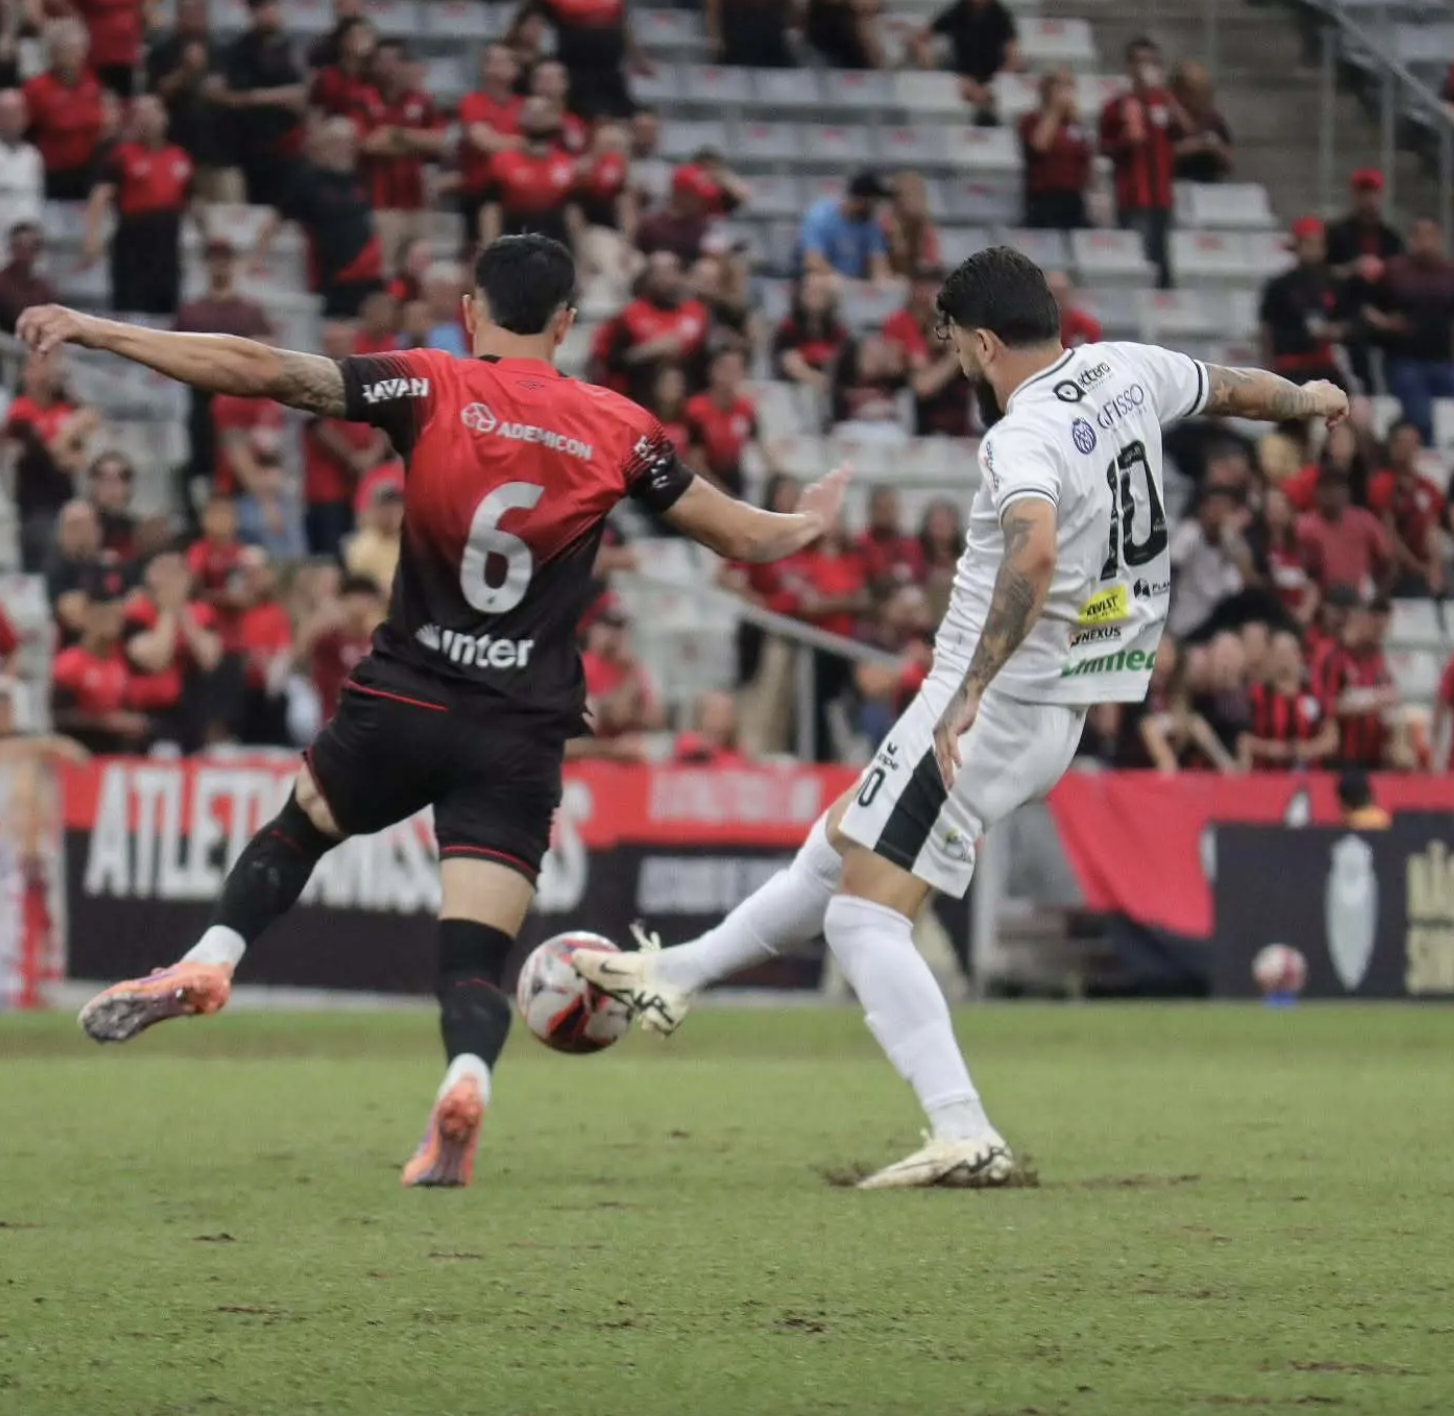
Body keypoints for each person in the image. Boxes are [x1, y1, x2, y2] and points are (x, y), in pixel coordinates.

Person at [19, 232, 848, 1188]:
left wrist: (95, 329)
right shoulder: (620, 429)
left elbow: (256, 370)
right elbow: (742, 539)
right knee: (474, 955)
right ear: (568, 324)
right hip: (517, 731)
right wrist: (811, 522)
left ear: (470, 312)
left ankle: (213, 955)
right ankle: (463, 1082)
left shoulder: (429, 384)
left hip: (404, 697)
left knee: (300, 830)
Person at [570, 246, 1348, 1188]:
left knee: (864, 921)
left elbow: (1032, 556)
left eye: (960, 351)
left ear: (983, 343)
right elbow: (1230, 389)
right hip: (1060, 697)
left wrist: (974, 686)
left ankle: (962, 1129)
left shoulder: (1019, 439)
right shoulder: (1126, 368)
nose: (964, 370)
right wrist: (1307, 399)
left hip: (996, 703)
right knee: (835, 848)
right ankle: (676, 977)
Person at [84, 95, 203, 317]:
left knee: (166, 311)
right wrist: (92, 237)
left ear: (164, 118)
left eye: (153, 113)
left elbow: (193, 201)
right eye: (141, 114)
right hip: (132, 246)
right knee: (129, 312)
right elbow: (100, 196)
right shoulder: (121, 155)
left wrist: (208, 235)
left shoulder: (180, 157)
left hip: (167, 247)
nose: (148, 120)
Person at [256, 117, 383, 320]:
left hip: (369, 275)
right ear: (323, 145)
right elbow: (276, 220)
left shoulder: (361, 179)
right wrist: (258, 258)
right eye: (335, 143)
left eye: (347, 143)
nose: (342, 149)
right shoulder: (308, 180)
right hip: (334, 277)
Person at [209, 0, 306, 208]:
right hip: (244, 148)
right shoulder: (235, 51)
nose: (270, 14)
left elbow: (301, 93)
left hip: (284, 148)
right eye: (263, 9)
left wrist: (254, 97)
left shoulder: (290, 52)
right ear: (252, 13)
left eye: (273, 8)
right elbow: (218, 93)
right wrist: (267, 98)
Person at [1366, 217, 1454, 444]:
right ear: (1411, 240)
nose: (1426, 242)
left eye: (1430, 236)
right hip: (1405, 360)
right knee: (1421, 417)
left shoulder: (1448, 274)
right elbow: (1368, 309)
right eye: (1420, 236)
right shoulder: (1394, 271)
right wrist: (1385, 323)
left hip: (1442, 360)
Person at [1100, 38, 1179, 288]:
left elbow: (1186, 129)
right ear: (1130, 67)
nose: (1146, 68)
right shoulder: (1116, 106)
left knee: (1165, 263)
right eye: (1141, 62)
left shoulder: (1164, 103)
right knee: (1138, 262)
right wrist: (1126, 141)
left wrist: (1165, 93)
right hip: (1133, 195)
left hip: (1162, 196)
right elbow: (1105, 147)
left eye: (1152, 62)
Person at [22, 19, 108, 201]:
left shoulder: (93, 84)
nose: (75, 56)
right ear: (52, 53)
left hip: (88, 172)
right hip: (51, 174)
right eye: (67, 50)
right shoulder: (36, 89)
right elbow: (27, 132)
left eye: (78, 49)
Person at [1258, 217, 1347, 389]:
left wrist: (1336, 330)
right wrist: (1269, 369)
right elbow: (1266, 329)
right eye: (1308, 243)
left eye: (1318, 244)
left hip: (1324, 364)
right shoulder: (1279, 285)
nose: (1313, 249)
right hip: (1290, 364)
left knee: (1352, 404)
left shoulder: (1333, 282)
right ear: (1297, 246)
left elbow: (1347, 320)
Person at [1366, 418, 1444, 597]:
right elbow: (1389, 533)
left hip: (1423, 566)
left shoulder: (1428, 488)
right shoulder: (1382, 483)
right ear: (1392, 447)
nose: (1407, 448)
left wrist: (1434, 567)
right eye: (1402, 442)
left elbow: (1432, 530)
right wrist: (1419, 569)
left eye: (1412, 442)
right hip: (1393, 567)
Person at [912, 0, 1019, 126]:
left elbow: (1013, 58)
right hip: (960, 76)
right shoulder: (957, 11)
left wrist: (993, 85)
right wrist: (929, 64)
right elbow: (921, 37)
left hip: (992, 77)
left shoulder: (1001, 14)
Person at [1244, 629, 1337, 771]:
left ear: (1299, 656)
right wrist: (1269, 749)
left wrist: (1307, 749)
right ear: (1270, 658)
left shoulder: (1314, 694)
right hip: (1265, 775)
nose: (1284, 660)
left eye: (1289, 653)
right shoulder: (1256, 695)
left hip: (1309, 776)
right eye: (1279, 654)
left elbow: (1331, 739)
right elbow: (1243, 739)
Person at [1019, 70, 1091, 231]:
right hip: (1044, 197)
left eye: (1069, 85)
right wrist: (1055, 111)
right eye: (1060, 85)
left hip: (1073, 198)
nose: (1066, 91)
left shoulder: (1075, 124)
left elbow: (1085, 158)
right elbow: (1038, 147)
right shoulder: (1032, 119)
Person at [796, 170, 892, 282]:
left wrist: (883, 279)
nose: (876, 207)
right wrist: (840, 281)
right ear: (861, 199)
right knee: (818, 281)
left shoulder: (870, 225)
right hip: (825, 281)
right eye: (873, 202)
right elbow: (813, 260)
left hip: (854, 285)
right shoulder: (820, 217)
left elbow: (878, 261)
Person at [1169, 61, 1232, 183]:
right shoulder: (1168, 119)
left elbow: (1229, 161)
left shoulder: (1214, 120)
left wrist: (1217, 148)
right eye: (1196, 91)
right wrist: (1194, 145)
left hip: (1208, 187)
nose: (1203, 97)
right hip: (1175, 184)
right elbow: (1158, 156)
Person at [0, 88, 43, 243]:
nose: (14, 120)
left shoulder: (33, 156)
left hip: (28, 243)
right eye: (7, 114)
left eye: (18, 114)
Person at [0, 223, 57, 336]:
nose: (25, 253)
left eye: (31, 247)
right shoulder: (2, 284)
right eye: (20, 246)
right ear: (11, 248)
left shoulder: (44, 289)